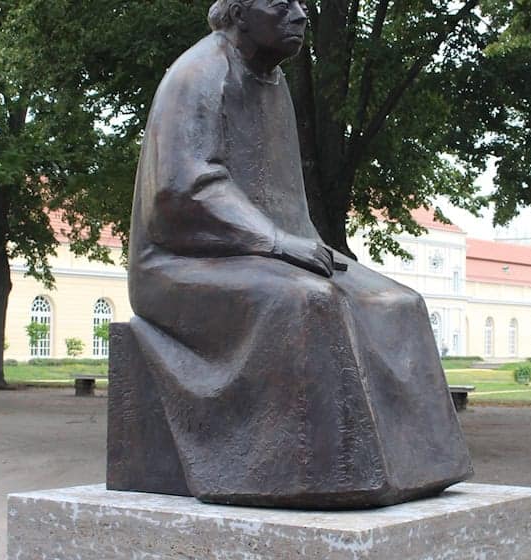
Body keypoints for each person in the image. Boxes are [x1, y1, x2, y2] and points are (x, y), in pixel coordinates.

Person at [126, 0, 472, 509]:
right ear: (240, 13)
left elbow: (286, 204)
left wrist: (295, 244)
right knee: (311, 303)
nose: (301, 13)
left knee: (400, 302)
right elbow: (181, 194)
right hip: (178, 263)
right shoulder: (197, 74)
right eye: (281, 2)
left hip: (262, 249)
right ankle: (323, 474)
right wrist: (276, 242)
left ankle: (424, 468)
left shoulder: (274, 84)